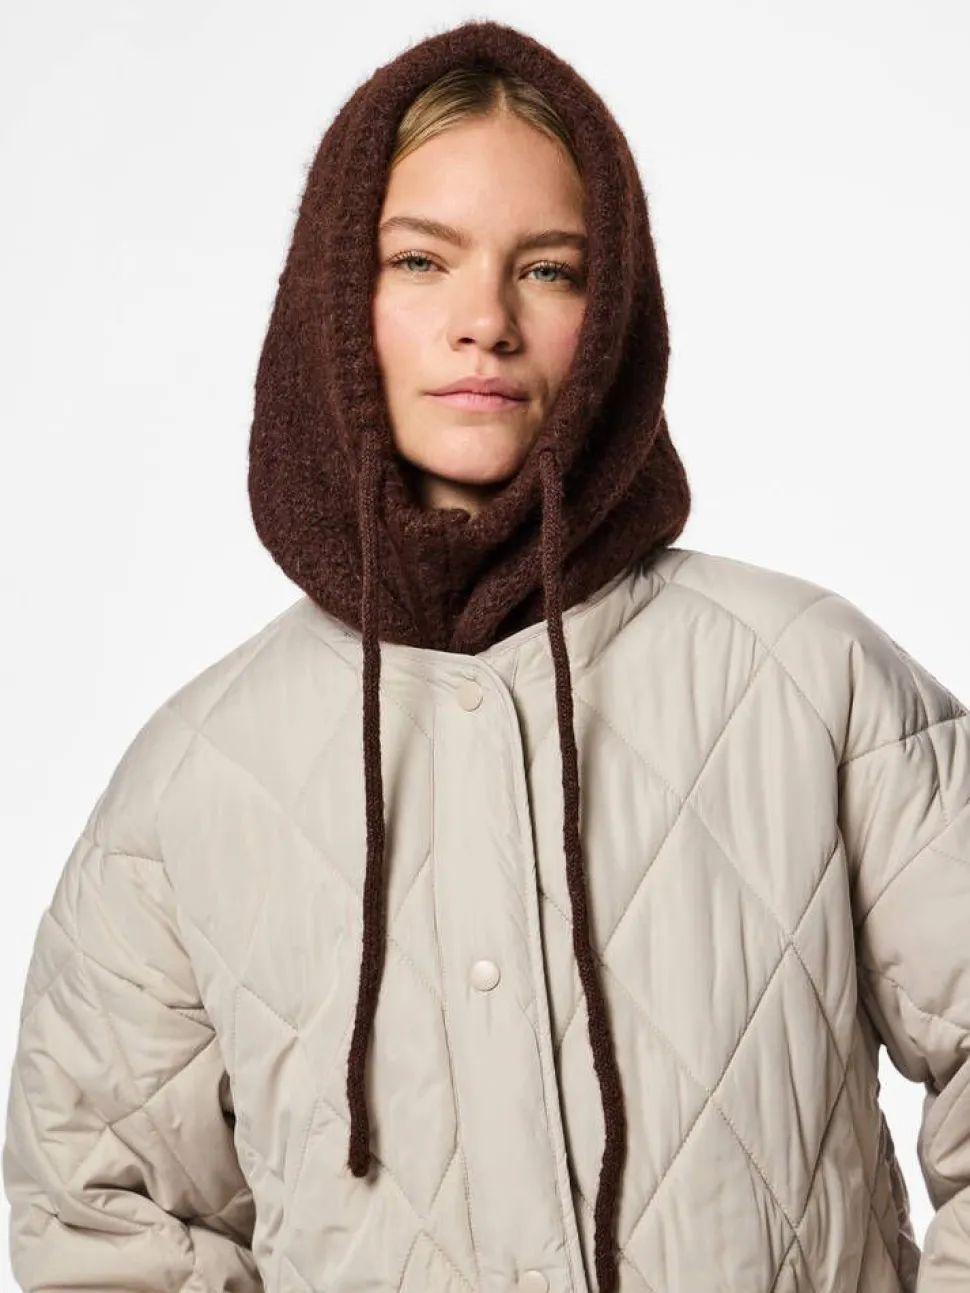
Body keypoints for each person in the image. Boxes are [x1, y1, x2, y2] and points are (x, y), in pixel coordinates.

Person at [3, 17, 968, 1293]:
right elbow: (97, 1216)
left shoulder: (814, 682)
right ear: (334, 303)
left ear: (612, 314)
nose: (485, 323)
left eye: (550, 270)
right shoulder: (191, 784)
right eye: (420, 260)